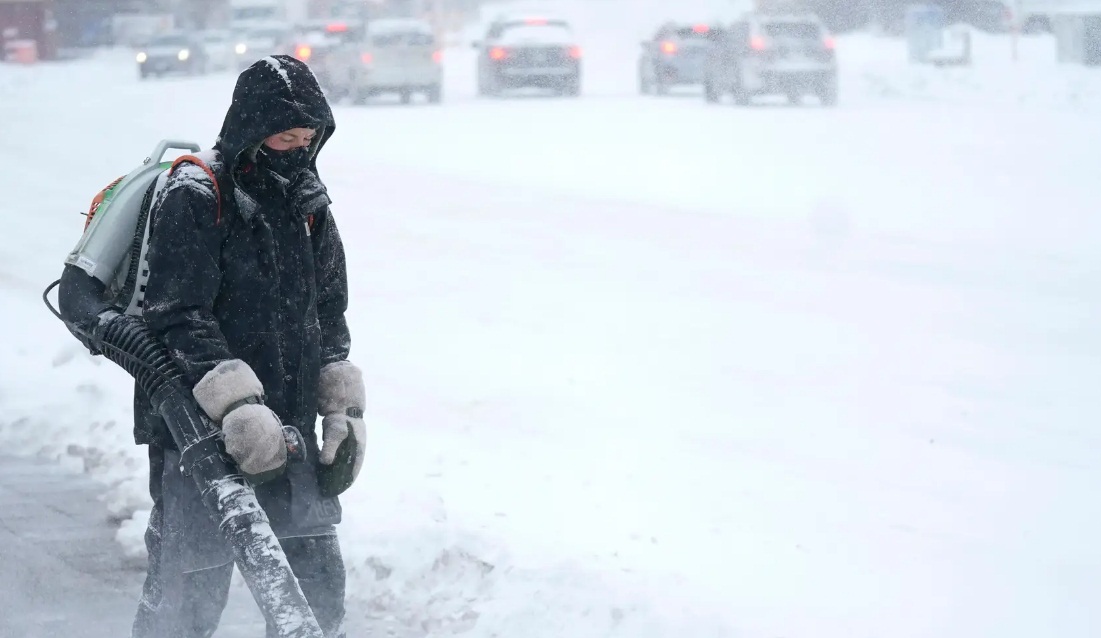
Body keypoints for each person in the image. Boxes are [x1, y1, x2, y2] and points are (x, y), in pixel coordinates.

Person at [129, 55, 366, 638]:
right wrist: (235, 406)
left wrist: (340, 409)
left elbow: (329, 309)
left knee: (315, 599)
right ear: (252, 128)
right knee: (187, 600)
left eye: (308, 137)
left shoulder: (307, 201)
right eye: (285, 135)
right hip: (198, 434)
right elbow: (176, 315)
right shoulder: (195, 194)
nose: (298, 146)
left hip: (290, 430)